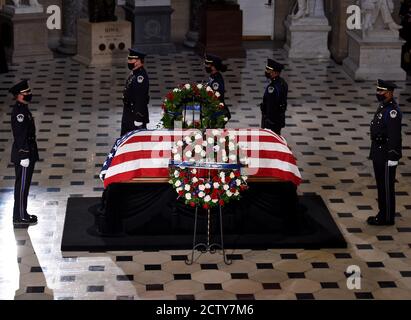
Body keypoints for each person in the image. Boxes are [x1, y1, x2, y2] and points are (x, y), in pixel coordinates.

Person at [367, 80, 402, 226]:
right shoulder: (383, 107)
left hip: (387, 154)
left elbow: (394, 136)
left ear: (389, 93)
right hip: (378, 152)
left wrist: (393, 156)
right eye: (378, 91)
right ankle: (383, 213)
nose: (378, 94)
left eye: (381, 91)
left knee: (387, 187)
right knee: (381, 186)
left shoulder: (392, 111)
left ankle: (387, 218)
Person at [9, 80, 39, 227]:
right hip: (24, 154)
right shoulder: (20, 113)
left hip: (28, 152)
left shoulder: (24, 109)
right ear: (19, 96)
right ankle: (20, 216)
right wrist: (24, 155)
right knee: (21, 186)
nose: (29, 94)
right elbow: (20, 135)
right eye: (26, 93)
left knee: (24, 186)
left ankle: (22, 213)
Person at [121, 48, 150, 136]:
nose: (128, 61)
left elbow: (140, 98)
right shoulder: (134, 73)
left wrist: (138, 118)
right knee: (125, 137)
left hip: (134, 114)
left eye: (131, 59)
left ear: (138, 61)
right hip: (129, 111)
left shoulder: (140, 77)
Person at [260, 58, 288, 136]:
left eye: (269, 71)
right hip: (278, 118)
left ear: (275, 73)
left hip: (272, 120)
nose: (267, 72)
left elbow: (271, 105)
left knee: (270, 139)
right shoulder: (282, 82)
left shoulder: (272, 88)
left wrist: (268, 121)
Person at [204, 53, 231, 126]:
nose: (206, 66)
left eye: (208, 64)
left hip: (217, 112)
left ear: (214, 67)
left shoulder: (216, 80)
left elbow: (217, 97)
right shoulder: (213, 76)